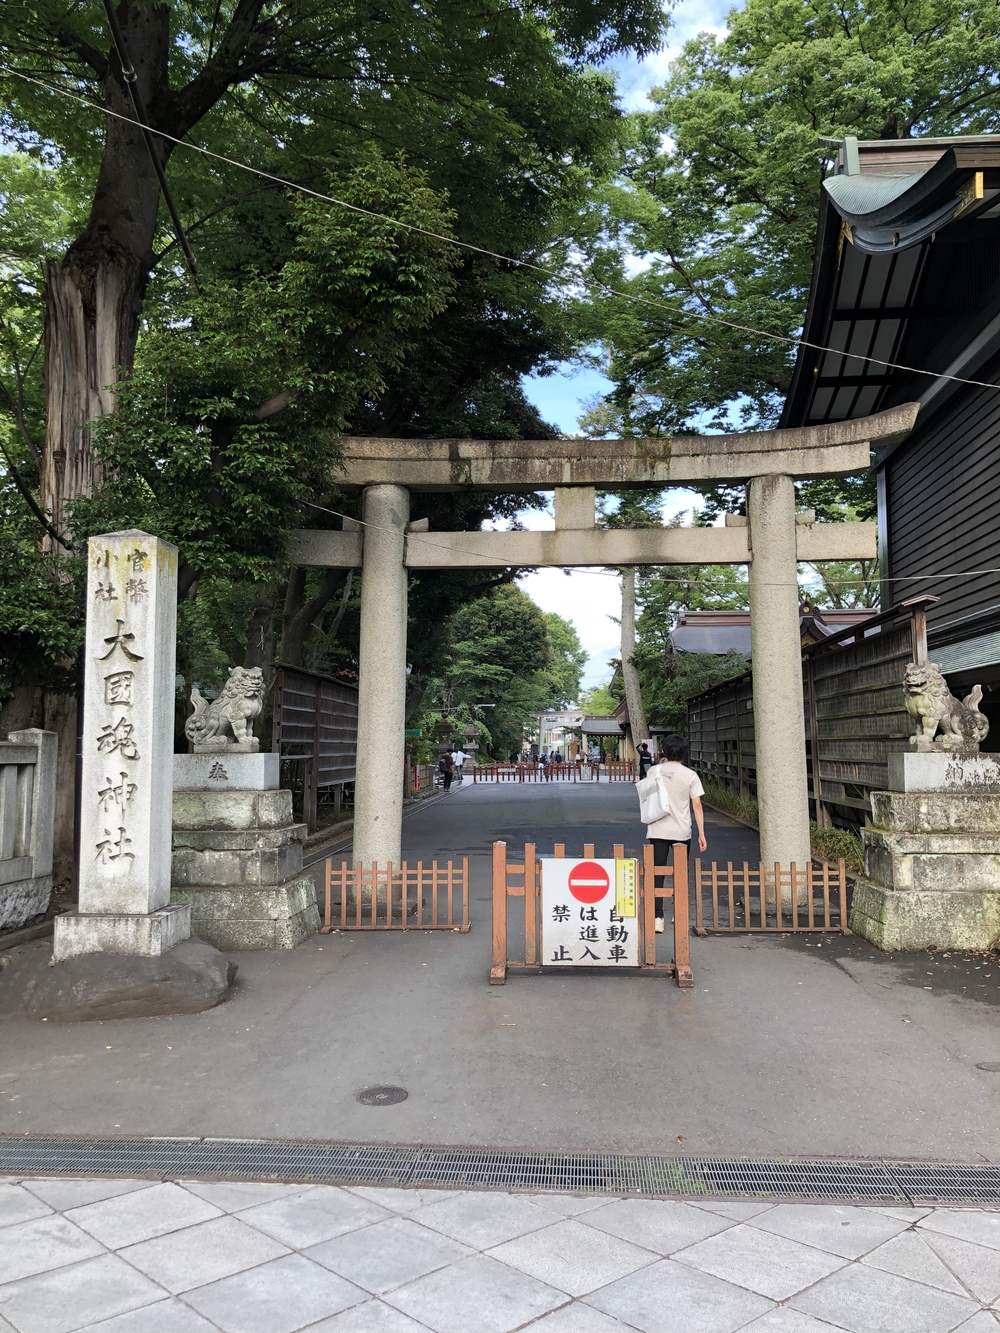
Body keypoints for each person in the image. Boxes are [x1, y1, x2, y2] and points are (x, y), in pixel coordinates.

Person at [644, 734, 707, 932]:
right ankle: (679, 914)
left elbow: (647, 798)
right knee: (680, 872)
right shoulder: (690, 775)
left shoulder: (653, 771)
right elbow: (697, 806)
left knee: (657, 873)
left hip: (657, 828)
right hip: (681, 830)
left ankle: (657, 918)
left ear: (665, 750)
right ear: (684, 752)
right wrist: (702, 833)